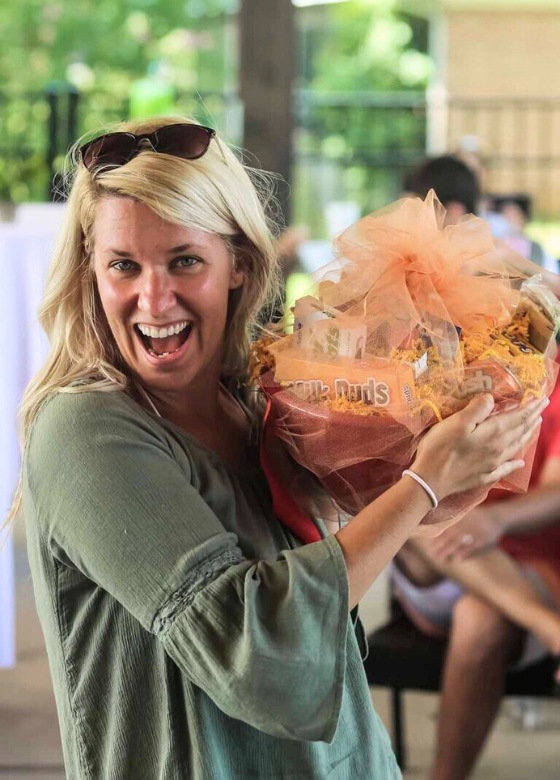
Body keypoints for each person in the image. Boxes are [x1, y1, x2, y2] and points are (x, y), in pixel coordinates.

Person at [7, 117, 546, 779]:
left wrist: (450, 408)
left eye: (184, 261)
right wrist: (423, 487)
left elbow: (365, 524)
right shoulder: (86, 432)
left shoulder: (262, 397)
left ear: (238, 263)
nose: (153, 298)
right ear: (91, 271)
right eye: (124, 265)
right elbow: (253, 651)